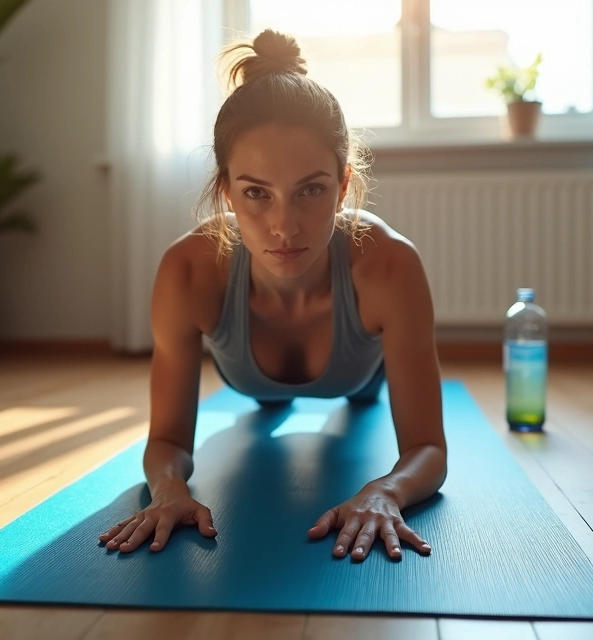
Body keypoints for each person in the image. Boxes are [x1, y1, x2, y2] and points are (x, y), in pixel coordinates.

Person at [98, 29, 446, 562]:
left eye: (311, 190)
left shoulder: (390, 267)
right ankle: (273, 392)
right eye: (256, 193)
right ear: (226, 191)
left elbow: (427, 448)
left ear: (343, 187)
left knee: (363, 397)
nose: (285, 226)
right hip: (250, 379)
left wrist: (386, 490)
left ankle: (351, 388)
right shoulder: (188, 271)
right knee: (270, 398)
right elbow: (167, 440)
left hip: (359, 372)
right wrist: (169, 489)